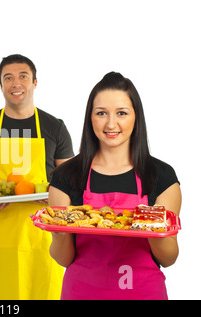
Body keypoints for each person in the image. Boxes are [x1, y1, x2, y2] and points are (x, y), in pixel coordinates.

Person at [48, 72, 181, 300]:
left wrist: (153, 229)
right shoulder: (66, 176)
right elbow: (63, 259)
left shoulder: (161, 176)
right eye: (101, 113)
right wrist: (60, 234)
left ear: (136, 117)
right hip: (82, 293)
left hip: (143, 293)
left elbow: (168, 258)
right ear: (90, 117)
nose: (111, 124)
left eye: (121, 113)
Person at [0, 54, 74, 299]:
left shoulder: (55, 127)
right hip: (1, 235)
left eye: (23, 76)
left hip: (45, 238)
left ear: (35, 82)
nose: (16, 83)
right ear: (0, 85)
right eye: (8, 78)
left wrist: (55, 198)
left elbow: (71, 184)